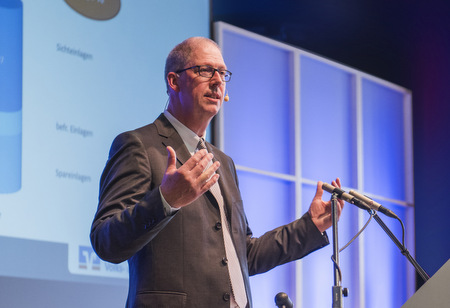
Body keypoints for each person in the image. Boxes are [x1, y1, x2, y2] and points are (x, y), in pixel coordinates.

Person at [90, 37, 344, 308]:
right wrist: (166, 200)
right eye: (204, 70)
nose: (217, 81)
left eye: (222, 73)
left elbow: (245, 255)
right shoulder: (140, 146)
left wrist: (310, 226)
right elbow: (106, 241)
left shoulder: (224, 162)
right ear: (174, 81)